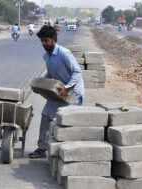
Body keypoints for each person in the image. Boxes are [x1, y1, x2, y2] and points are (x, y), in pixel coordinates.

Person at [29, 25, 85, 158]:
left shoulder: (64, 53)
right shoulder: (46, 56)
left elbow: (77, 72)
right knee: (46, 116)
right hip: (58, 90)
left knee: (66, 121)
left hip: (72, 93)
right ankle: (42, 148)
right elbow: (51, 72)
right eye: (42, 41)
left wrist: (68, 88)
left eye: (46, 40)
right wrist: (40, 84)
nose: (43, 44)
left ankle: (68, 150)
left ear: (53, 39)